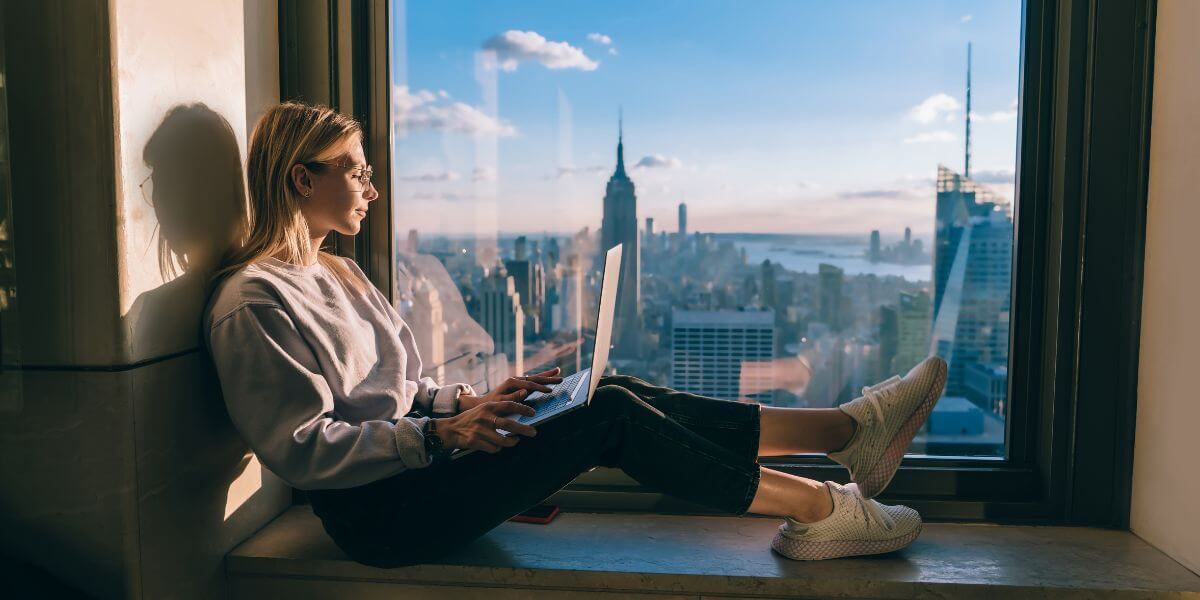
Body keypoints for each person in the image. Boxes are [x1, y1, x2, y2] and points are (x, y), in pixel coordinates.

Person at [202, 102, 949, 568]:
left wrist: (472, 403)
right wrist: (438, 437)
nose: (371, 188)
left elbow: (402, 392)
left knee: (601, 389)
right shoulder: (254, 302)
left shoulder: (341, 273)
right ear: (301, 180)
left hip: (426, 470)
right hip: (386, 518)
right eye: (356, 172)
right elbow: (302, 448)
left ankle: (846, 432)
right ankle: (818, 508)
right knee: (610, 416)